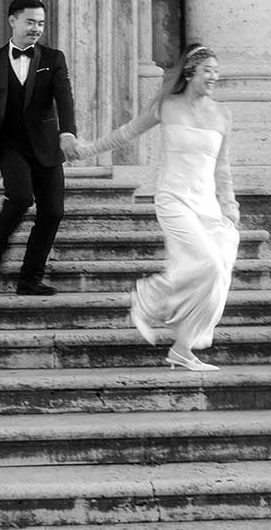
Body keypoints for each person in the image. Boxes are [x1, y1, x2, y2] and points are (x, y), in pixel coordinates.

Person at [69, 44, 239, 371]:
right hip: (174, 200)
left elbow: (223, 167)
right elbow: (126, 133)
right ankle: (147, 297)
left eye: (217, 71)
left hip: (207, 206)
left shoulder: (223, 115)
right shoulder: (166, 106)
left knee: (217, 274)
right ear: (190, 71)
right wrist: (87, 150)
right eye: (208, 70)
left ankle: (182, 349)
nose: (214, 76)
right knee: (207, 264)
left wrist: (230, 204)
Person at [0, 0, 78, 295]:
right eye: (30, 22)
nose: (36, 28)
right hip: (10, 146)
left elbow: (64, 96)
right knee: (20, 198)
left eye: (41, 23)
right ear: (13, 21)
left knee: (53, 212)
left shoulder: (53, 58)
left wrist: (68, 132)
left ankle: (29, 279)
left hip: (46, 146)